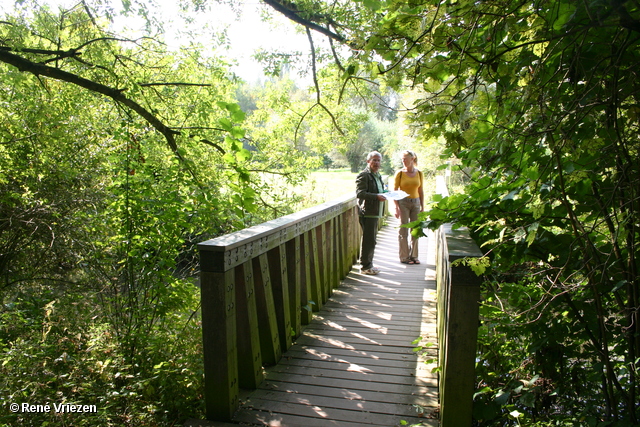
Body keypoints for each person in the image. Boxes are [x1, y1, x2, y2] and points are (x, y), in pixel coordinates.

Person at [356, 151, 387, 275]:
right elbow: (360, 193)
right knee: (369, 240)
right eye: (374, 160)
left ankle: (369, 264)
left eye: (378, 160)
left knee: (372, 240)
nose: (377, 163)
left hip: (375, 211)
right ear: (368, 161)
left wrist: (386, 192)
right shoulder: (364, 175)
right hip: (368, 212)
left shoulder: (377, 175)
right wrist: (376, 196)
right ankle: (365, 267)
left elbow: (379, 189)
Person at [393, 150, 424, 264]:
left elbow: (420, 190)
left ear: (412, 159)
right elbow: (395, 191)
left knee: (416, 229)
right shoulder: (399, 173)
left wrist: (422, 206)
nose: (404, 161)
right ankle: (404, 257)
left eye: (406, 158)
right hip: (403, 203)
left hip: (416, 202)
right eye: (402, 159)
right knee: (403, 229)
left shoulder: (419, 173)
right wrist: (396, 207)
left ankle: (414, 256)